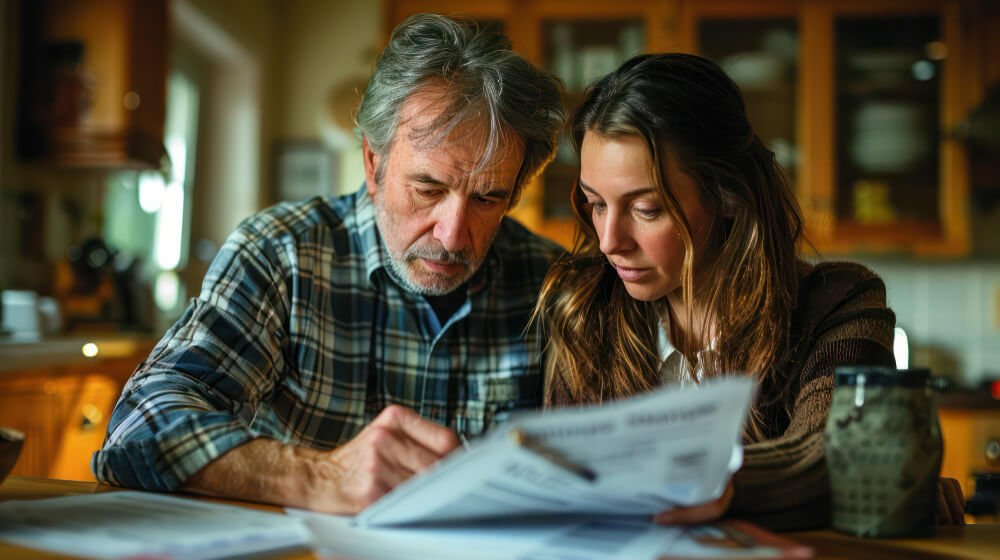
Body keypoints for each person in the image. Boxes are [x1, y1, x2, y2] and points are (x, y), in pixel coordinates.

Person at [93, 14, 564, 514]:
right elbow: (137, 428)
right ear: (373, 163)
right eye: (428, 189)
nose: (451, 234)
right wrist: (323, 477)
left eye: (488, 199)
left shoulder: (551, 282)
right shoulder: (282, 254)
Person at [535, 53, 965, 530]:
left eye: (647, 208)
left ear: (728, 196)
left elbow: (837, 451)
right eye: (596, 204)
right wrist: (836, 486)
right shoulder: (583, 311)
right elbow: (571, 494)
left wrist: (863, 474)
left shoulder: (839, 304)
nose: (609, 240)